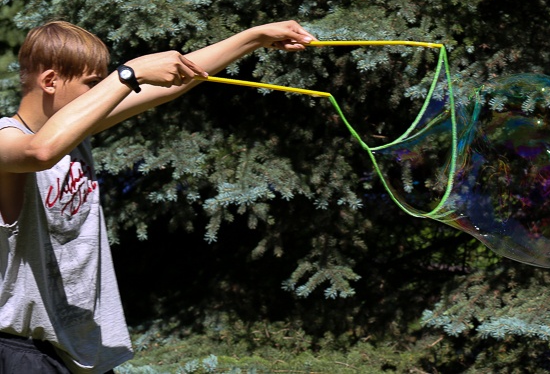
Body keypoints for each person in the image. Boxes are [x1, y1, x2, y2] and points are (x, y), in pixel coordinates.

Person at [0, 19, 315, 373]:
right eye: (92, 84)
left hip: (79, 353)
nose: (99, 94)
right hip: (24, 353)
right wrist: (128, 73)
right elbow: (40, 152)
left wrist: (254, 37)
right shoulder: (6, 139)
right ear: (50, 81)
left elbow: (176, 82)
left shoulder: (74, 134)